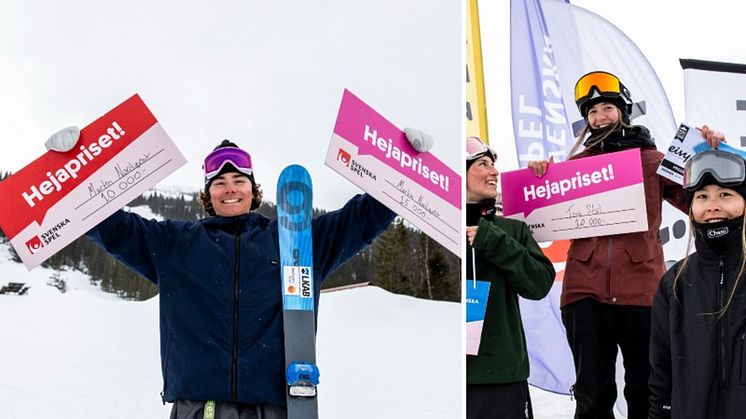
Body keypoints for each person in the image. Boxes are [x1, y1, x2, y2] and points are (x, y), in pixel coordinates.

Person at [45, 128, 430, 419]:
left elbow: (363, 218)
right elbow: (108, 226)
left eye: (238, 181)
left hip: (276, 408)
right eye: (220, 183)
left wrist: (404, 160)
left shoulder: (294, 240)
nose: (229, 190)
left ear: (253, 189)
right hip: (201, 407)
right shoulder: (175, 244)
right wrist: (74, 164)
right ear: (207, 193)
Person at [527, 70, 725, 419]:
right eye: (592, 112)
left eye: (606, 107)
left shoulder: (653, 161)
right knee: (592, 392)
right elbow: (536, 213)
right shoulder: (576, 167)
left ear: (624, 110)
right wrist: (539, 176)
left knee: (645, 387)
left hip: (641, 291)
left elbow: (699, 201)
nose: (599, 117)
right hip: (583, 292)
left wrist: (710, 153)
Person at [649, 149, 746, 419]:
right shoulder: (674, 283)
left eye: (725, 195)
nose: (713, 205)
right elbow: (660, 375)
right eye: (702, 197)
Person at [465, 136, 555, 419]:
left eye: (493, 165)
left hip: (502, 376)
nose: (494, 172)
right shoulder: (440, 228)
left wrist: (493, 241)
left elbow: (540, 283)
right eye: (483, 164)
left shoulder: (512, 230)